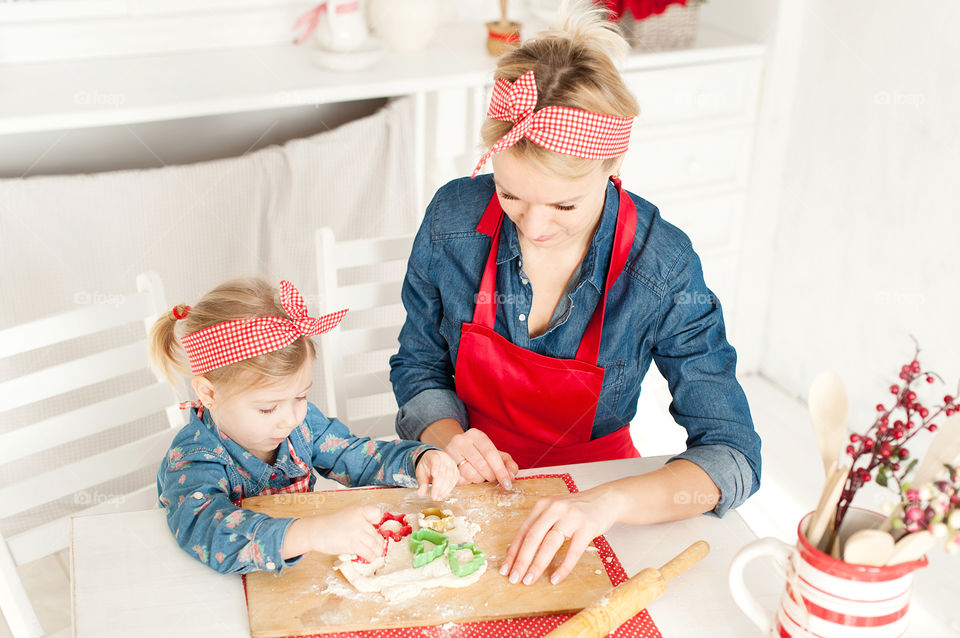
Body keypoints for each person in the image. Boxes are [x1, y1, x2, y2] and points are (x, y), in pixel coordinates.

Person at [389, 3, 761, 587]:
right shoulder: (453, 220)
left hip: (598, 499)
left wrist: (606, 504)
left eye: (564, 205)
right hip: (464, 488)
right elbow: (419, 366)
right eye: (512, 195)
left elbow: (733, 456)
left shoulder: (660, 267)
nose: (534, 227)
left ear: (612, 164)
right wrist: (450, 439)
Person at [150, 277, 458, 574]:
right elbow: (206, 530)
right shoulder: (193, 457)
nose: (291, 418)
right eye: (268, 408)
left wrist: (417, 460)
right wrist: (313, 532)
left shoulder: (303, 425)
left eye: (301, 395)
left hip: (289, 580)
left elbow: (358, 456)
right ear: (209, 393)